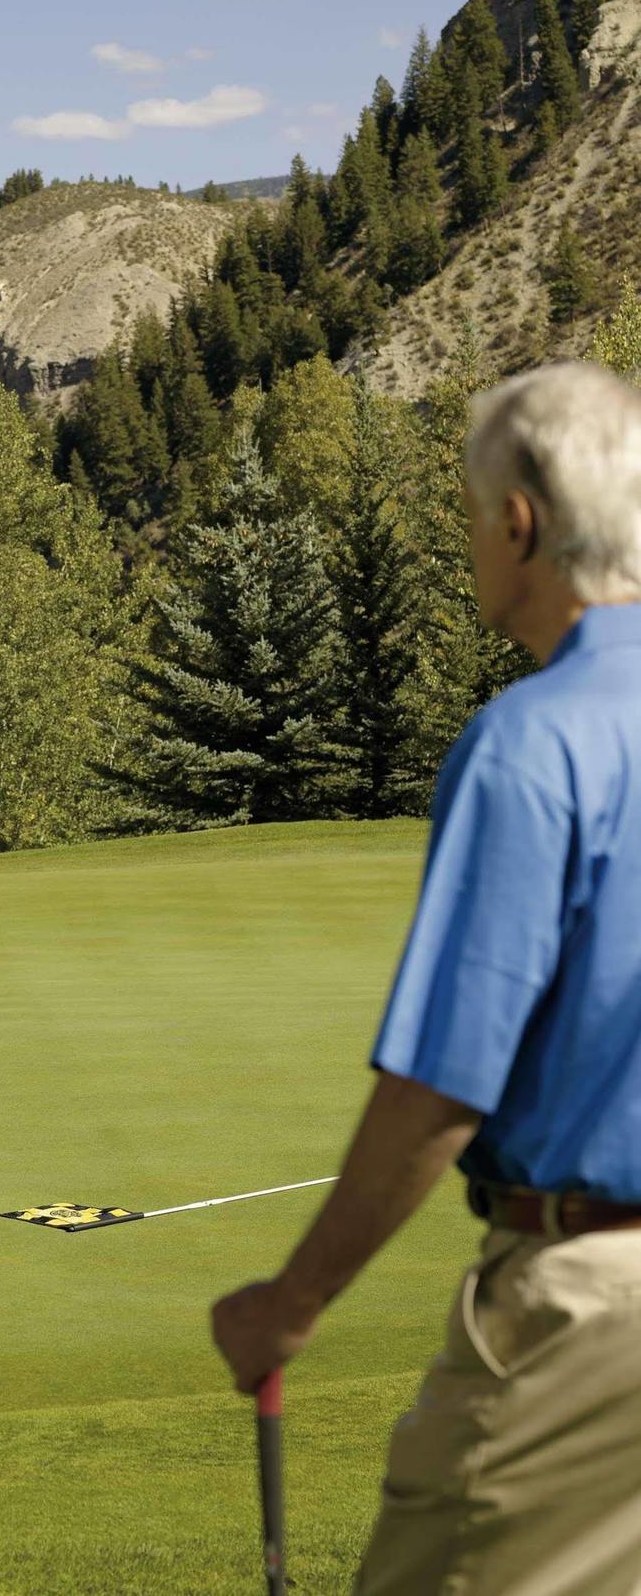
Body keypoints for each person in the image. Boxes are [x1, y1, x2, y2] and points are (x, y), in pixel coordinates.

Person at [211, 361, 641, 1593]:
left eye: (467, 512)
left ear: (518, 520)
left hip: (586, 1312)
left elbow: (440, 1085)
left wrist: (289, 1304)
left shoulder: (528, 743)